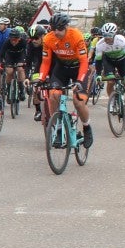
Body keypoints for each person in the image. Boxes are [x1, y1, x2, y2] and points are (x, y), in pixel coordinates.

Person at [39, 13, 93, 148]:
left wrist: (79, 81)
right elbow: (46, 62)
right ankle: (58, 128)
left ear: (66, 27)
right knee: (54, 94)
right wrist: (40, 78)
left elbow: (84, 62)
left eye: (60, 29)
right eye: (54, 29)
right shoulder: (48, 38)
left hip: (78, 68)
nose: (56, 32)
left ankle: (87, 127)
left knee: (78, 102)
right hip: (61, 68)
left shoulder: (76, 36)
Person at [93, 22, 125, 120]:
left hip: (123, 61)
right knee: (110, 82)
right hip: (109, 62)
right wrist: (98, 74)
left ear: (114, 34)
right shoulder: (100, 44)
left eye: (109, 35)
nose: (107, 38)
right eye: (105, 35)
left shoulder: (121, 40)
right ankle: (112, 100)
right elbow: (98, 61)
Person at [25, 24, 47, 120]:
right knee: (35, 87)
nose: (34, 40)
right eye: (31, 38)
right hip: (40, 65)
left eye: (36, 38)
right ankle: (38, 110)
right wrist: (27, 77)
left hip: (53, 65)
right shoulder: (31, 45)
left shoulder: (49, 42)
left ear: (43, 36)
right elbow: (28, 62)